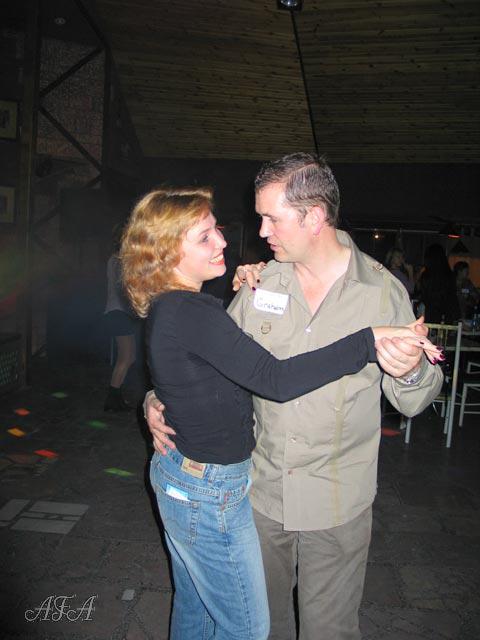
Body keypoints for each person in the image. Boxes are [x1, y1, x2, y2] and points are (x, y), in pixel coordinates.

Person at [145, 155, 444, 640]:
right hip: (257, 498)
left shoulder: (381, 292)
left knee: (329, 631)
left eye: (272, 218)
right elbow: (202, 362)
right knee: (265, 628)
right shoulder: (260, 283)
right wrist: (155, 399)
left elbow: (414, 402)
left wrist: (410, 371)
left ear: (314, 216)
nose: (261, 231)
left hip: (336, 503)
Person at [103, 229, 138, 411]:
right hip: (118, 313)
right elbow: (123, 289)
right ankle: (112, 398)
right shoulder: (118, 261)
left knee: (129, 357)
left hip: (120, 313)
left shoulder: (117, 260)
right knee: (125, 357)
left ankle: (116, 396)